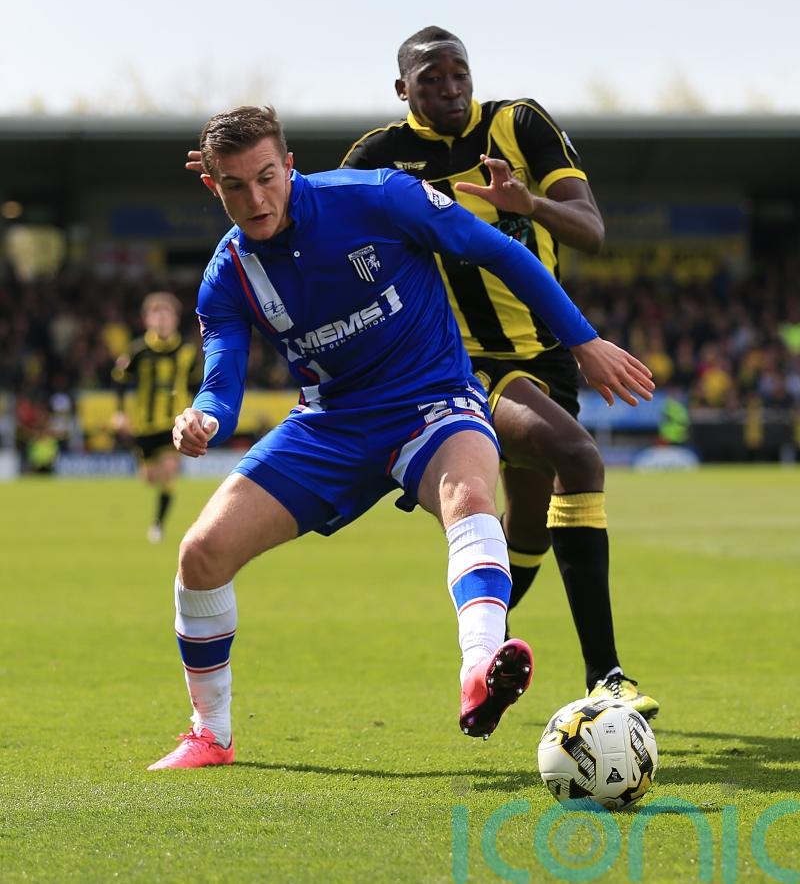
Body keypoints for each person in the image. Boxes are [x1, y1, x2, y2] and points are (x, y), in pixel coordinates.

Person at [152, 105, 653, 770]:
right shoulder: (229, 272)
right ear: (212, 187)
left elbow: (500, 249)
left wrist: (582, 339)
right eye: (236, 186)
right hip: (329, 423)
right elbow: (223, 374)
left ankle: (480, 672)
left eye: (266, 176)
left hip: (433, 401)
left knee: (470, 494)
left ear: (289, 164)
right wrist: (204, 416)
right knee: (200, 554)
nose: (256, 196)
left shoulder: (379, 196)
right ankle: (209, 735)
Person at [340, 26, 660, 718]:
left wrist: (530, 204)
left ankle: (484, 668)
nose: (451, 88)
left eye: (459, 73)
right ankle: (606, 673)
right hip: (459, 363)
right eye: (431, 79)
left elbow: (590, 230)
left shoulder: (520, 123)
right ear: (404, 90)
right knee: (578, 453)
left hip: (547, 354)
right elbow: (340, 246)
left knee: (531, 529)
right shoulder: (379, 158)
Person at [112, 292, 199, 543]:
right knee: (150, 477)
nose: (161, 320)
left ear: (175, 319)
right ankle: (158, 503)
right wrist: (120, 413)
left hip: (174, 423)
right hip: (144, 425)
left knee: (169, 470)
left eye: (166, 314)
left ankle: (158, 525)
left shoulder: (187, 352)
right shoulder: (138, 351)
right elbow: (119, 381)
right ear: (147, 320)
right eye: (156, 314)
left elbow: (196, 384)